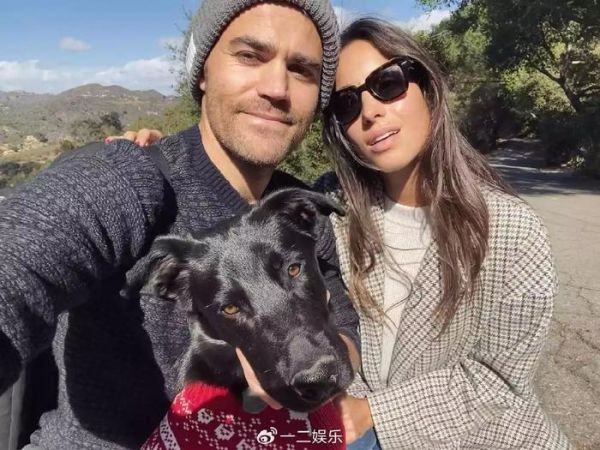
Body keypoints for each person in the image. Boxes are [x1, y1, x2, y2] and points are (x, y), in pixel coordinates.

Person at [128, 16, 573, 450]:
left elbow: (499, 379)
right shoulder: (331, 207)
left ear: (429, 88)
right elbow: (241, 209)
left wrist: (371, 414)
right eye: (346, 104)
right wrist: (158, 158)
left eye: (388, 83)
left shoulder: (510, 230)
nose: (371, 111)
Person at [0, 1, 361, 449]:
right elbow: (20, 263)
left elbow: (342, 317)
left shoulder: (298, 212)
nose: (276, 88)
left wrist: (324, 361)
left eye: (302, 69)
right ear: (203, 71)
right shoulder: (128, 181)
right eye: (250, 56)